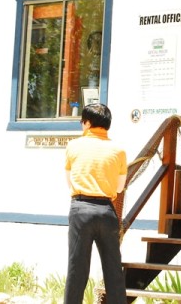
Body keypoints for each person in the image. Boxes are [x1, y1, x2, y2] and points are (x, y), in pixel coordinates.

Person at [64, 103, 127, 304]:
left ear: (88, 123)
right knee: (113, 271)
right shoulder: (118, 151)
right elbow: (119, 187)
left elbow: (70, 181)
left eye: (82, 122)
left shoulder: (73, 146)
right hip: (107, 211)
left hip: (81, 209)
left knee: (77, 269)